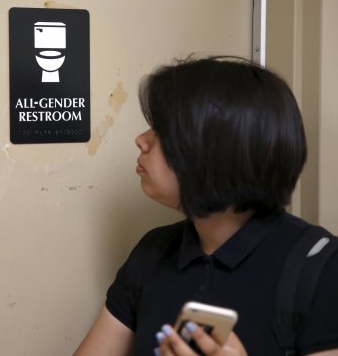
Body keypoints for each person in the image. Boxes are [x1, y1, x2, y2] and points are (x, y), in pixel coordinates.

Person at [73, 57, 338, 355]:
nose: (141, 140)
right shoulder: (152, 251)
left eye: (162, 131)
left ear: (221, 148)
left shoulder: (322, 266)